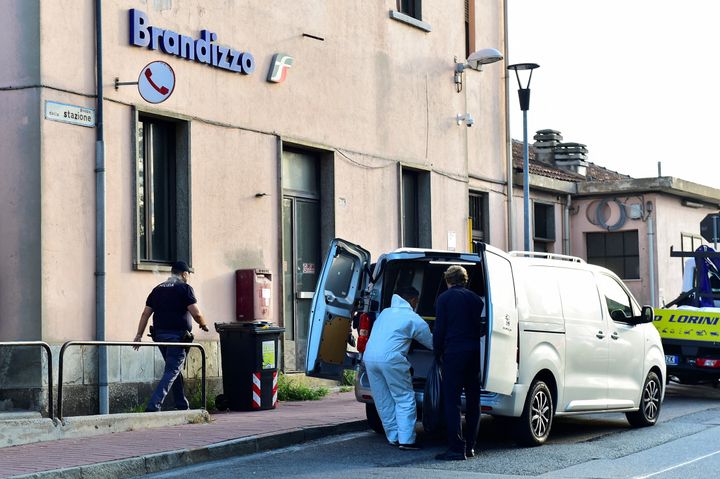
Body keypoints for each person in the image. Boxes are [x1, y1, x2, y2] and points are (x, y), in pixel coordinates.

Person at [362, 286, 433, 450]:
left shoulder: (385, 313)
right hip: (391, 360)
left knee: (383, 399)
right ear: (414, 300)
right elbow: (431, 343)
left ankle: (393, 436)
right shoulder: (413, 318)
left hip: (370, 358)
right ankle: (407, 440)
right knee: (404, 398)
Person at [133, 261, 209, 412]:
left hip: (160, 335)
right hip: (177, 338)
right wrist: (202, 324)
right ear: (184, 274)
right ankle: (153, 406)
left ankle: (182, 405)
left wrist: (138, 335)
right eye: (188, 275)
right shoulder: (184, 288)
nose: (188, 277)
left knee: (174, 369)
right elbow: (196, 313)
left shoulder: (157, 289)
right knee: (172, 371)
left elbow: (145, 314)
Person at [433, 265, 485, 461]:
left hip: (454, 352)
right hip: (474, 352)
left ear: (448, 280)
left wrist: (437, 351)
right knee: (473, 400)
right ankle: (471, 446)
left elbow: (439, 330)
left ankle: (456, 448)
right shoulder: (475, 299)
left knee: (452, 401)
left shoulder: (444, 299)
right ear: (464, 280)